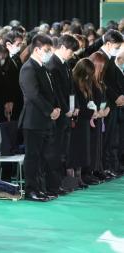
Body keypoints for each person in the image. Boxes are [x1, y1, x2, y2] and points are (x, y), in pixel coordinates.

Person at [19, 34, 61, 202]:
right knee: (33, 157)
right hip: (33, 120)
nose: (49, 53)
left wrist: (56, 107)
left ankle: (40, 187)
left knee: (43, 156)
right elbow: (33, 95)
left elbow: (51, 92)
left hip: (45, 119)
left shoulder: (42, 67)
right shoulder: (28, 68)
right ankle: (31, 190)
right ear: (36, 49)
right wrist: (50, 110)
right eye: (47, 50)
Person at [45, 34, 80, 195]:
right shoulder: (52, 64)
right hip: (59, 114)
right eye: (71, 51)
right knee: (55, 151)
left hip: (67, 113)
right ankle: (53, 184)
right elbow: (56, 93)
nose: (72, 54)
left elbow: (71, 88)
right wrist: (66, 109)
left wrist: (75, 106)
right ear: (63, 48)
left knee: (62, 151)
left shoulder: (65, 64)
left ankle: (60, 183)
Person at [66, 58, 98, 190]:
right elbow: (76, 105)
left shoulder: (85, 83)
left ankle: (79, 178)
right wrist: (91, 113)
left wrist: (93, 111)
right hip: (76, 122)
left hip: (84, 123)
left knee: (82, 153)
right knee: (73, 153)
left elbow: (88, 102)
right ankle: (72, 180)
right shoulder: (73, 82)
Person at [99, 30, 124, 175]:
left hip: (113, 103)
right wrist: (115, 97)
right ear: (108, 44)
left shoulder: (109, 58)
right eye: (117, 46)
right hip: (105, 104)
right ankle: (104, 167)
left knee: (112, 137)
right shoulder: (100, 57)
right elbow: (102, 82)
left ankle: (109, 166)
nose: (118, 50)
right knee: (106, 138)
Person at [88, 51, 112, 182]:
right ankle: (92, 169)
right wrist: (96, 112)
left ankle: (98, 168)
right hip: (93, 117)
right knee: (93, 144)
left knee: (99, 144)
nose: (102, 69)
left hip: (101, 116)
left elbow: (105, 99)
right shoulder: (90, 82)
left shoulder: (100, 81)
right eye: (100, 66)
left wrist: (107, 108)